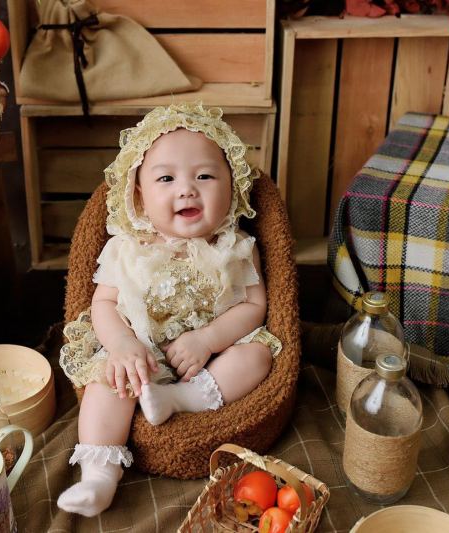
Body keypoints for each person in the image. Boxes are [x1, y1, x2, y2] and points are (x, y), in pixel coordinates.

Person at [56, 103, 281, 517]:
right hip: (141, 354)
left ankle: (179, 398)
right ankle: (99, 475)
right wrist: (122, 345)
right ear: (139, 195)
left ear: (232, 185)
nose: (187, 189)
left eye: (205, 176)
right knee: (108, 382)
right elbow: (102, 303)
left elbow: (255, 307)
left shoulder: (235, 247)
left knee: (259, 356)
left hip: (213, 357)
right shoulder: (127, 247)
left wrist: (207, 339)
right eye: (166, 178)